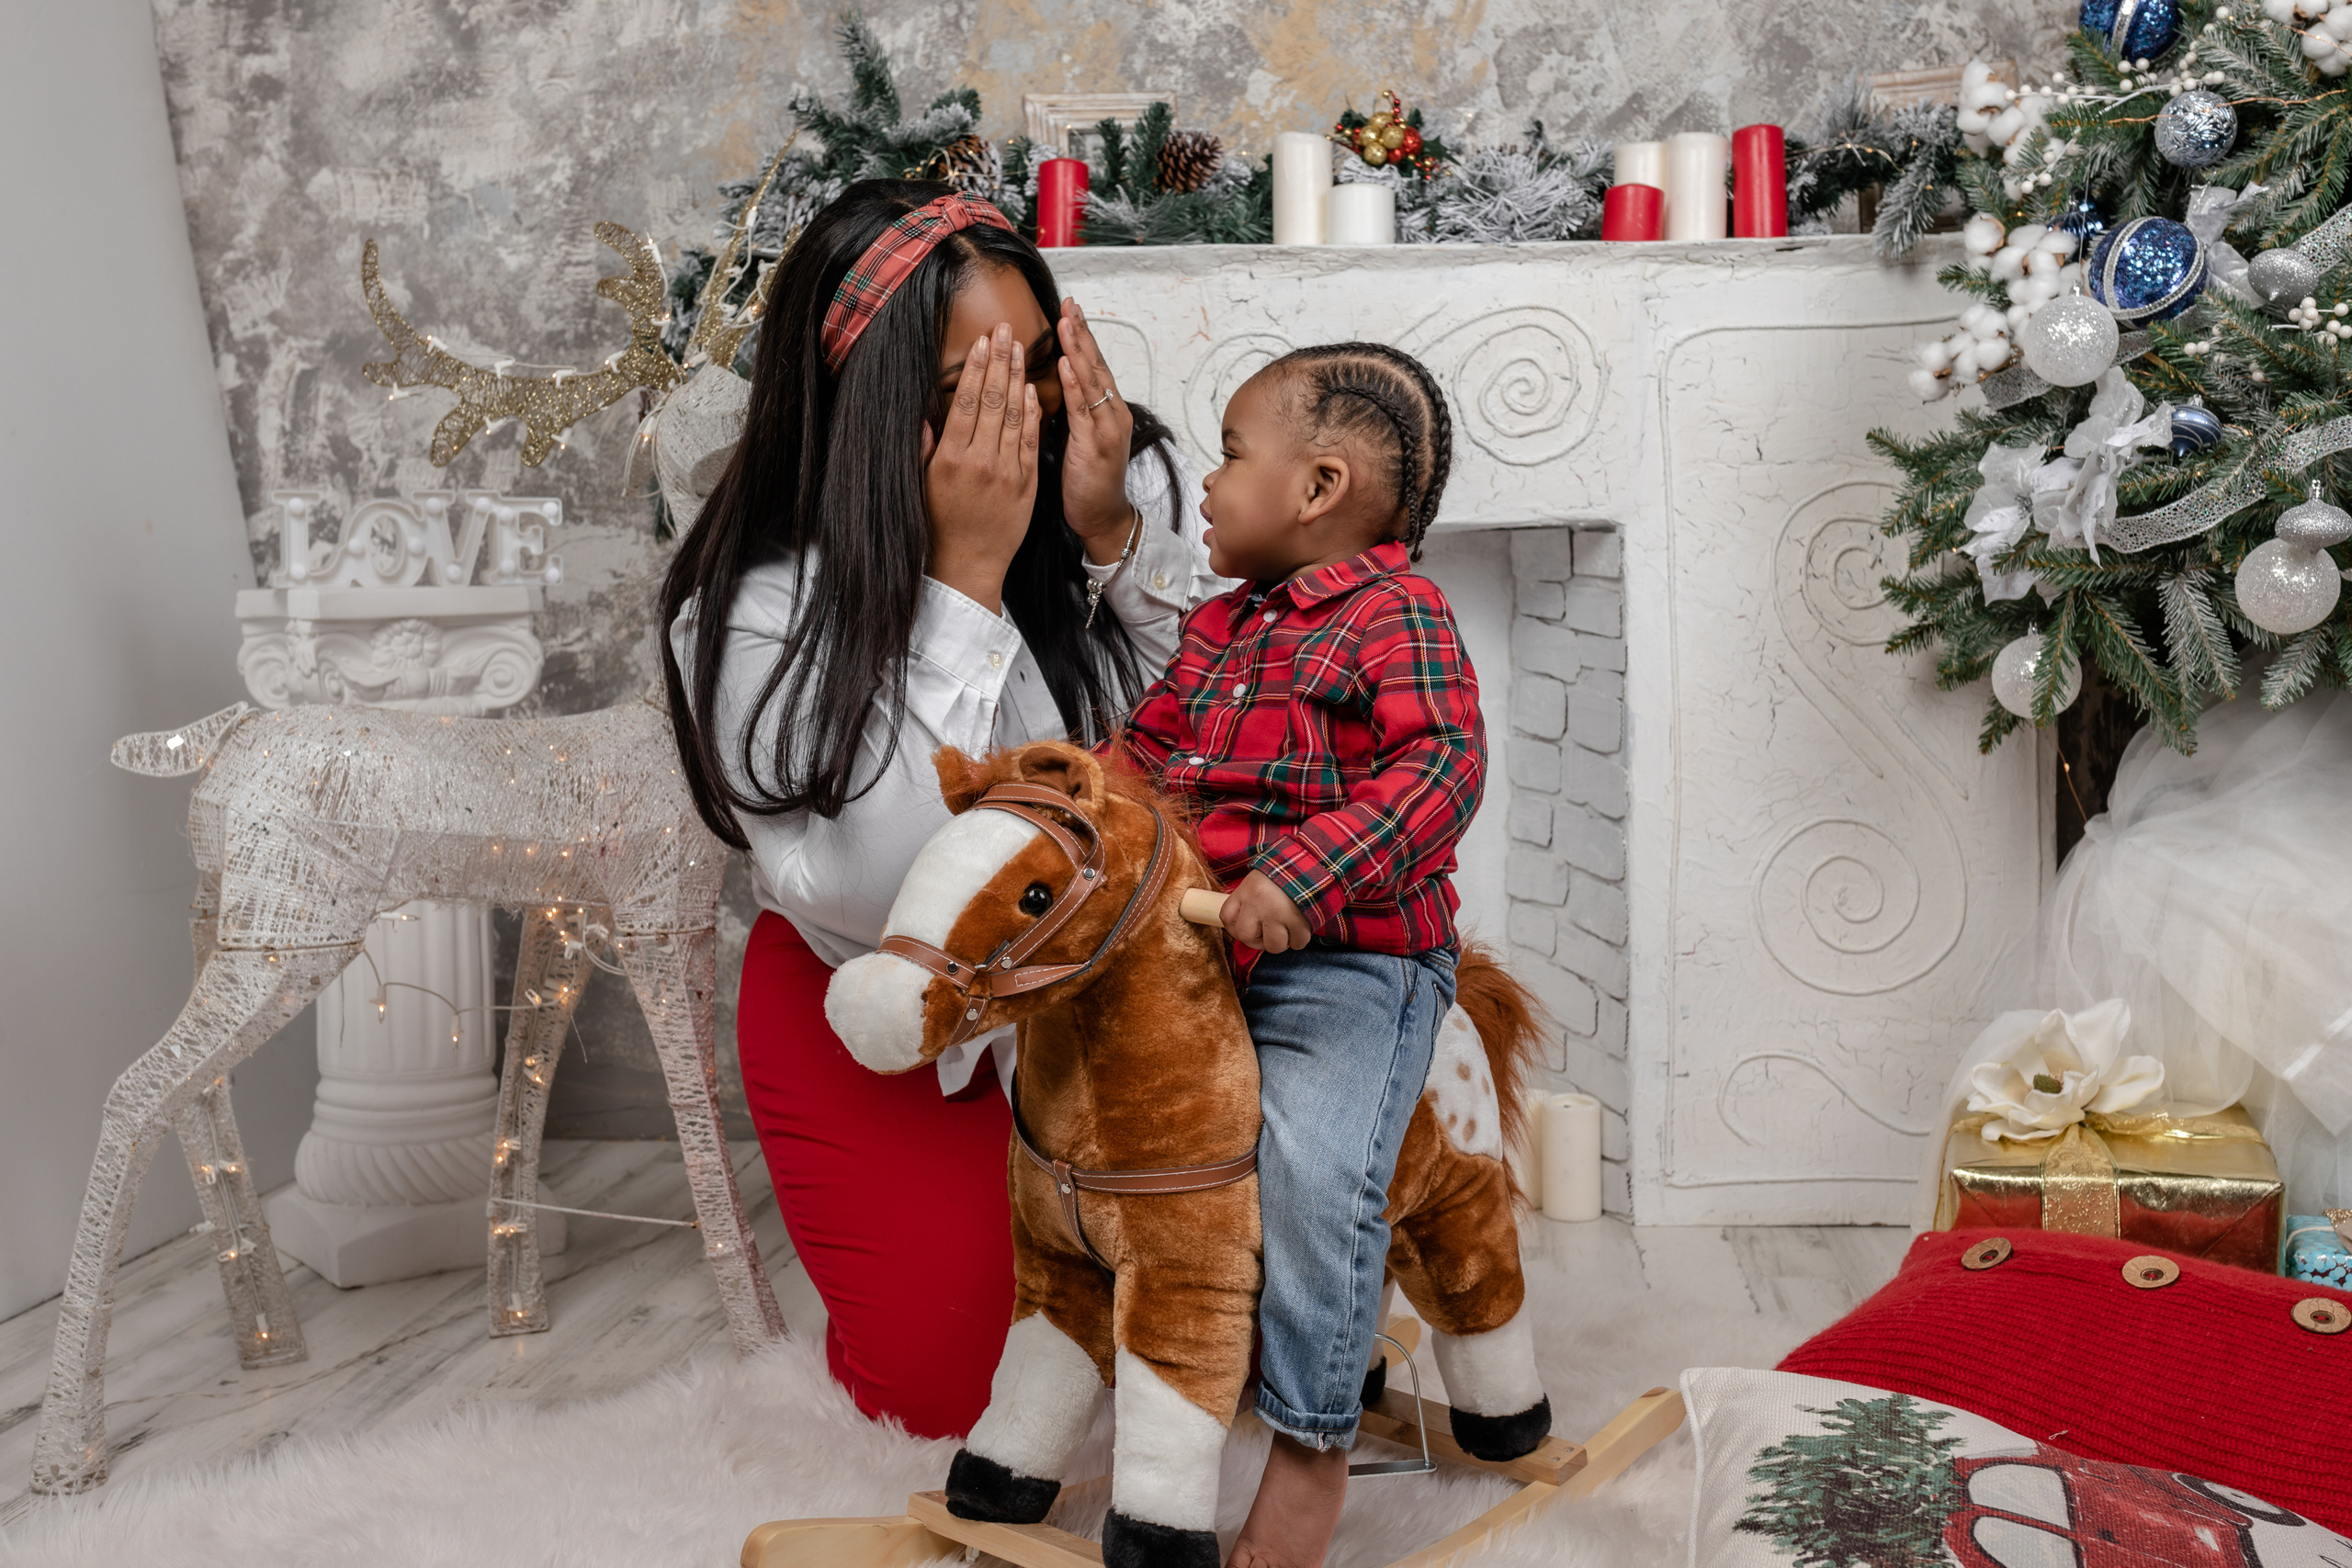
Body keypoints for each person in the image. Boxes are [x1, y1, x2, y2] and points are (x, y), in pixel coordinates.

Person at [661, 180, 1222, 1439]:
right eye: (964, 393)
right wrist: (961, 584)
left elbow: (1205, 758)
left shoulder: (1108, 490)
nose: (1013, 418)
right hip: (879, 1009)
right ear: (870, 413)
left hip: (1092, 999)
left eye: (1031, 369)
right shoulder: (752, 606)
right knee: (960, 1400)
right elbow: (880, 880)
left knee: (1204, 1343)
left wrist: (1111, 543)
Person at [1117, 344, 1485, 1568]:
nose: (1205, 485)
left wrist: (1305, 877)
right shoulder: (1216, 629)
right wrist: (1066, 814)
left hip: (1353, 966)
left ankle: (1313, 1445)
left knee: (1313, 1168)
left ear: (1319, 486)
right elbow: (1143, 755)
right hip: (1207, 954)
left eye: (1227, 455)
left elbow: (1439, 769)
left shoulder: (1398, 615)